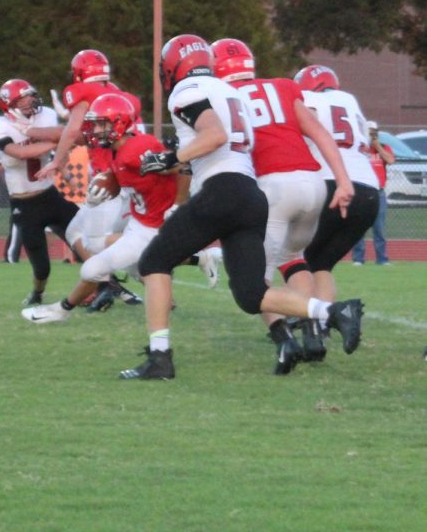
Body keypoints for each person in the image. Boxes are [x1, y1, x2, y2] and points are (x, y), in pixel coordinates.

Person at [120, 34, 364, 380]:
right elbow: (220, 142)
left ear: (174, 66)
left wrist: (169, 157)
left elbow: (214, 135)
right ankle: (335, 313)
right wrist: (180, 160)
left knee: (153, 261)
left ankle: (160, 358)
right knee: (252, 294)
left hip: (223, 190)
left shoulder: (187, 91)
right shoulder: (230, 92)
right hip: (250, 194)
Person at [211, 38, 354, 368]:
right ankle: (313, 332)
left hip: (272, 188)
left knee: (253, 282)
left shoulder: (220, 98)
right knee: (293, 258)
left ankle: (284, 340)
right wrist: (343, 181)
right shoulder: (284, 87)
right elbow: (318, 131)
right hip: (313, 183)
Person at [21, 94, 220, 324]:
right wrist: (101, 194)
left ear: (118, 123)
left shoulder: (138, 148)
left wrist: (176, 206)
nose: (95, 130)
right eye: (94, 124)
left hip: (155, 226)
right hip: (139, 223)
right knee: (93, 265)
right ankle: (62, 310)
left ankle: (61, 310)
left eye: (100, 124)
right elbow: (123, 181)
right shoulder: (117, 150)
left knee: (102, 261)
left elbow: (183, 167)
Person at [28, 49, 144, 307]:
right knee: (75, 231)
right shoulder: (120, 96)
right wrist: (45, 135)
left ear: (80, 73)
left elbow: (71, 131)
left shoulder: (83, 94)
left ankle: (150, 265)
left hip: (109, 179)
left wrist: (57, 161)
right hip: (128, 173)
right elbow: (83, 135)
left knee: (99, 240)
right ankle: (112, 284)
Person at [0, 79, 81, 305]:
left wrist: (65, 166)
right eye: (23, 98)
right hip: (25, 204)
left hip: (50, 195)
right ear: (9, 104)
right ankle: (37, 293)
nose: (31, 101)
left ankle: (111, 287)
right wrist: (58, 142)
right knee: (41, 266)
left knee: (86, 240)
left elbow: (61, 136)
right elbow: (20, 152)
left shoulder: (45, 115)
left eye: (31, 96)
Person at [294, 65, 381, 310]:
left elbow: (301, 126)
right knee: (321, 262)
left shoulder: (308, 99)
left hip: (332, 184)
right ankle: (322, 320)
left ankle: (306, 318)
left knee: (294, 260)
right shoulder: (349, 101)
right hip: (369, 192)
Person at [351, 120, 395, 265]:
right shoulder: (359, 148)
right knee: (358, 227)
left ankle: (382, 259)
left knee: (379, 229)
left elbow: (390, 160)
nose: (371, 135)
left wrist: (376, 145)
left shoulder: (384, 147)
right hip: (362, 191)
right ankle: (358, 259)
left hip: (378, 192)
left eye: (373, 132)